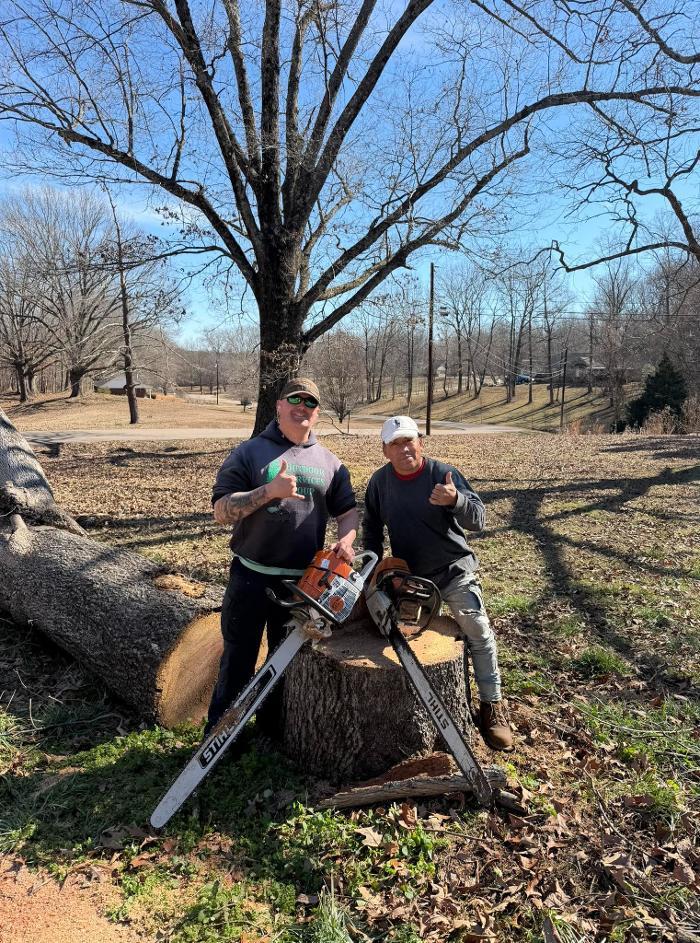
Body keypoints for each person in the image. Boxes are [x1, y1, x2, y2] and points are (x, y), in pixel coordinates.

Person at [205, 377, 358, 738]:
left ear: (317, 414)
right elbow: (220, 510)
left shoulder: (331, 462)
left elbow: (348, 511)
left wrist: (347, 540)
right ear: (278, 406)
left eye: (309, 403)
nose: (301, 407)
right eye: (295, 400)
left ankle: (272, 736)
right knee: (237, 661)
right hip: (250, 578)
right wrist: (268, 492)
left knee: (283, 663)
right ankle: (221, 739)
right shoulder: (250, 452)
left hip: (302, 585)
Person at [362, 415, 513, 751]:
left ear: (421, 443)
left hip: (453, 571)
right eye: (395, 443)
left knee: (477, 630)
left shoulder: (442, 474)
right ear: (385, 450)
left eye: (409, 441)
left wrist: (455, 499)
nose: (404, 449)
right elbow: (371, 527)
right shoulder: (379, 483)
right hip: (412, 579)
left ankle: (492, 706)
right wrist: (374, 567)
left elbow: (479, 519)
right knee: (396, 641)